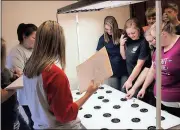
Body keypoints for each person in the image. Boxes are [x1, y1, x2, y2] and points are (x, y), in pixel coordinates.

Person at [23, 20, 100, 129]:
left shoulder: (29, 67)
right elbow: (65, 115)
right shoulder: (54, 73)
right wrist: (88, 93)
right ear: (59, 42)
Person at [137, 21, 180, 117]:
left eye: (155, 38)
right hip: (159, 100)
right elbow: (153, 69)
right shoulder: (159, 47)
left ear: (164, 34)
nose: (154, 42)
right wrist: (143, 88)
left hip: (176, 105)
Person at [6, 23, 37, 129]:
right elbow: (20, 77)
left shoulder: (33, 49)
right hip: (26, 95)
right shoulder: (16, 52)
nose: (36, 40)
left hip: (36, 92)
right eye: (34, 37)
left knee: (37, 119)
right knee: (33, 120)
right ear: (24, 36)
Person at [120, 18, 151, 96]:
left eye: (133, 33)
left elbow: (139, 65)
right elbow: (124, 57)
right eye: (129, 33)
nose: (131, 35)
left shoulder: (144, 42)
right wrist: (121, 44)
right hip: (131, 76)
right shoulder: (129, 40)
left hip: (140, 78)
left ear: (138, 30)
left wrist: (130, 80)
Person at [96, 16, 128, 90]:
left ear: (115, 26)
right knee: (115, 92)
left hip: (125, 69)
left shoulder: (122, 34)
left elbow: (128, 51)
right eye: (107, 29)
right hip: (112, 72)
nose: (109, 31)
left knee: (124, 92)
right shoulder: (102, 39)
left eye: (111, 29)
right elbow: (98, 56)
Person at [126, 28, 156, 101]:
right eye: (148, 41)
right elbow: (148, 69)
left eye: (151, 41)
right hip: (154, 86)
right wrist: (135, 88)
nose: (150, 44)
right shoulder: (154, 50)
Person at [1, 38, 20, 130]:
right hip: (5, 119)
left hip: (13, 114)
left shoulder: (5, 70)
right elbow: (1, 96)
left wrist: (15, 77)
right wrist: (18, 83)